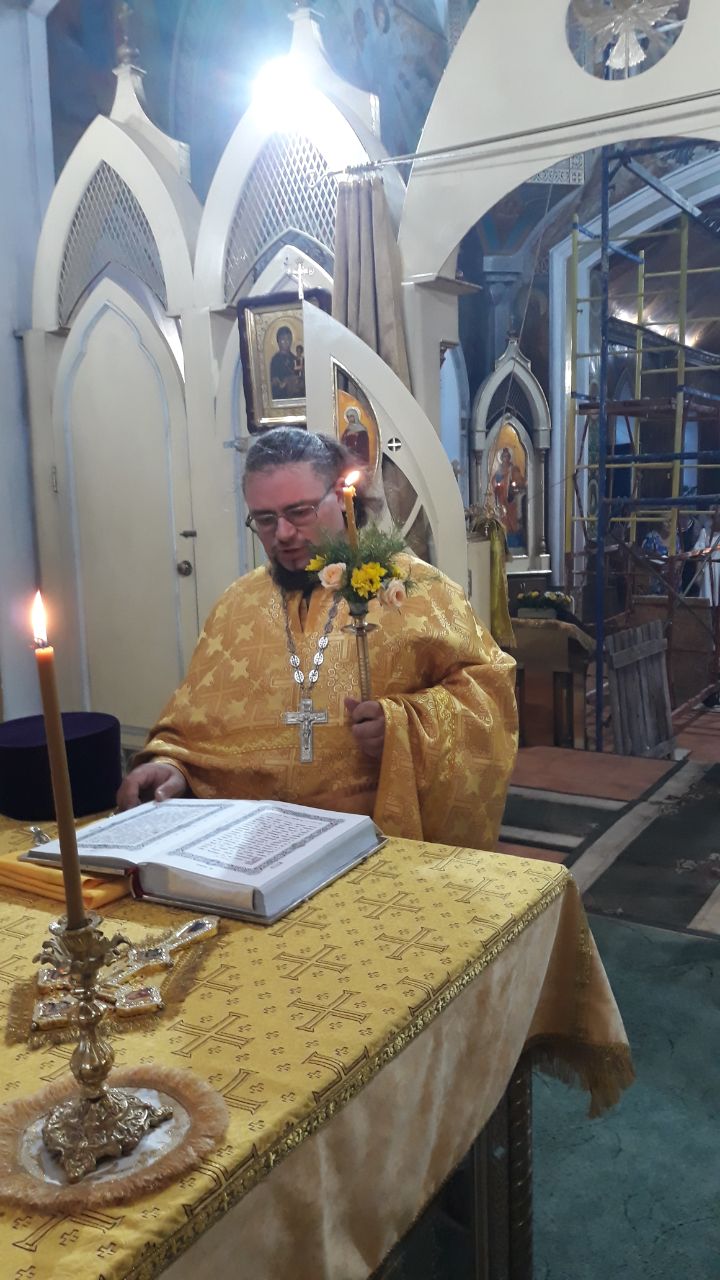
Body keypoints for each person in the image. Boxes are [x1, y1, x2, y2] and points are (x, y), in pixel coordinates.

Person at [117, 428, 517, 850]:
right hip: (252, 845)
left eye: (299, 512)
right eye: (265, 520)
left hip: (372, 843)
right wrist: (172, 766)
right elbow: (193, 726)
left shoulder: (412, 589)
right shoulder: (236, 605)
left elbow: (489, 696)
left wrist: (404, 728)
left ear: (343, 500)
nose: (283, 534)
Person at [491, 446, 527, 550]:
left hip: (511, 501)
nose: (505, 458)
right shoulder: (499, 470)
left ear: (509, 457)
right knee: (503, 520)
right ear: (501, 458)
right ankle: (505, 542)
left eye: (507, 456)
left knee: (512, 522)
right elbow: (493, 482)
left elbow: (520, 482)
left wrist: (514, 485)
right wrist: (497, 485)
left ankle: (515, 543)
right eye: (503, 456)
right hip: (501, 500)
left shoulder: (513, 469)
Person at [269, 326, 303, 399]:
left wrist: (296, 381)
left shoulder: (296, 359)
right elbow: (274, 381)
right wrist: (284, 382)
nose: (286, 342)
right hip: (281, 396)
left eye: (288, 339)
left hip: (295, 396)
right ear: (278, 341)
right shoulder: (275, 360)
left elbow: (299, 378)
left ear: (291, 340)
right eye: (283, 339)